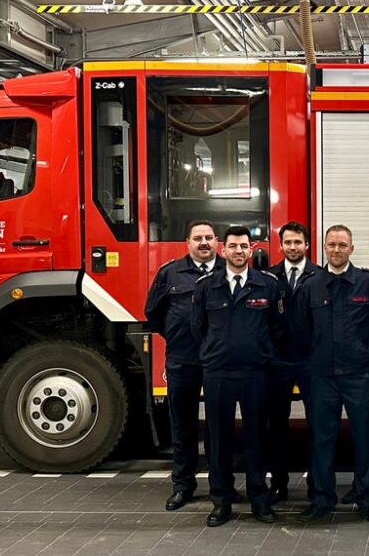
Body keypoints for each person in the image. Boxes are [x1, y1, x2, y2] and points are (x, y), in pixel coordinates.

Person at [190, 226, 284, 526]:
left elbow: (278, 327)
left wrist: (261, 352)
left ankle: (259, 499)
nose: (239, 251)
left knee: (257, 437)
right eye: (233, 246)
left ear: (251, 248)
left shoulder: (267, 284)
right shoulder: (206, 285)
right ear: (223, 249)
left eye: (244, 246)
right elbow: (198, 327)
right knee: (218, 439)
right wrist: (216, 351)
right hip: (218, 372)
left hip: (255, 373)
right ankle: (221, 501)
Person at [295, 225, 369, 524]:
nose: (336, 250)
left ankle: (366, 499)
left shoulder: (368, 283)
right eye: (331, 244)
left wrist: (368, 361)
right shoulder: (310, 285)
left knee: (364, 439)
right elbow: (301, 331)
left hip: (359, 375)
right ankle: (322, 499)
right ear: (324, 246)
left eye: (342, 245)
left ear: (352, 248)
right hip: (322, 377)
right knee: (322, 439)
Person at [143, 220, 223, 513]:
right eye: (198, 238)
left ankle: (220, 487)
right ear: (187, 243)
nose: (204, 243)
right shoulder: (170, 273)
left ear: (217, 242)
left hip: (218, 362)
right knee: (183, 425)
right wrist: (177, 336)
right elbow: (153, 312)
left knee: (217, 426)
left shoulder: (227, 272)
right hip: (182, 360)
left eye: (209, 238)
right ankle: (183, 486)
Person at [264, 221, 320, 505]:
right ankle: (279, 483)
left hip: (311, 362)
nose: (293, 247)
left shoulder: (320, 276)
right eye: (288, 242)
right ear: (281, 245)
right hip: (279, 362)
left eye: (298, 242)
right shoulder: (268, 278)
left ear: (307, 245)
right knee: (277, 426)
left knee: (318, 425)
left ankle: (316, 485)